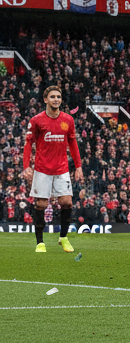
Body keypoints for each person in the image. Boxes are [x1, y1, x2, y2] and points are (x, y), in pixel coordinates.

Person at [22, 85, 83, 253]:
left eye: (58, 97)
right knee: (41, 204)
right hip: (42, 169)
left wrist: (78, 166)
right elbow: (28, 143)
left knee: (67, 202)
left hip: (61, 168)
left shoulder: (68, 120)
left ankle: (63, 238)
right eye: (53, 97)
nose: (56, 99)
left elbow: (73, 143)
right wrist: (26, 166)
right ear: (45, 99)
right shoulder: (36, 120)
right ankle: (40, 242)